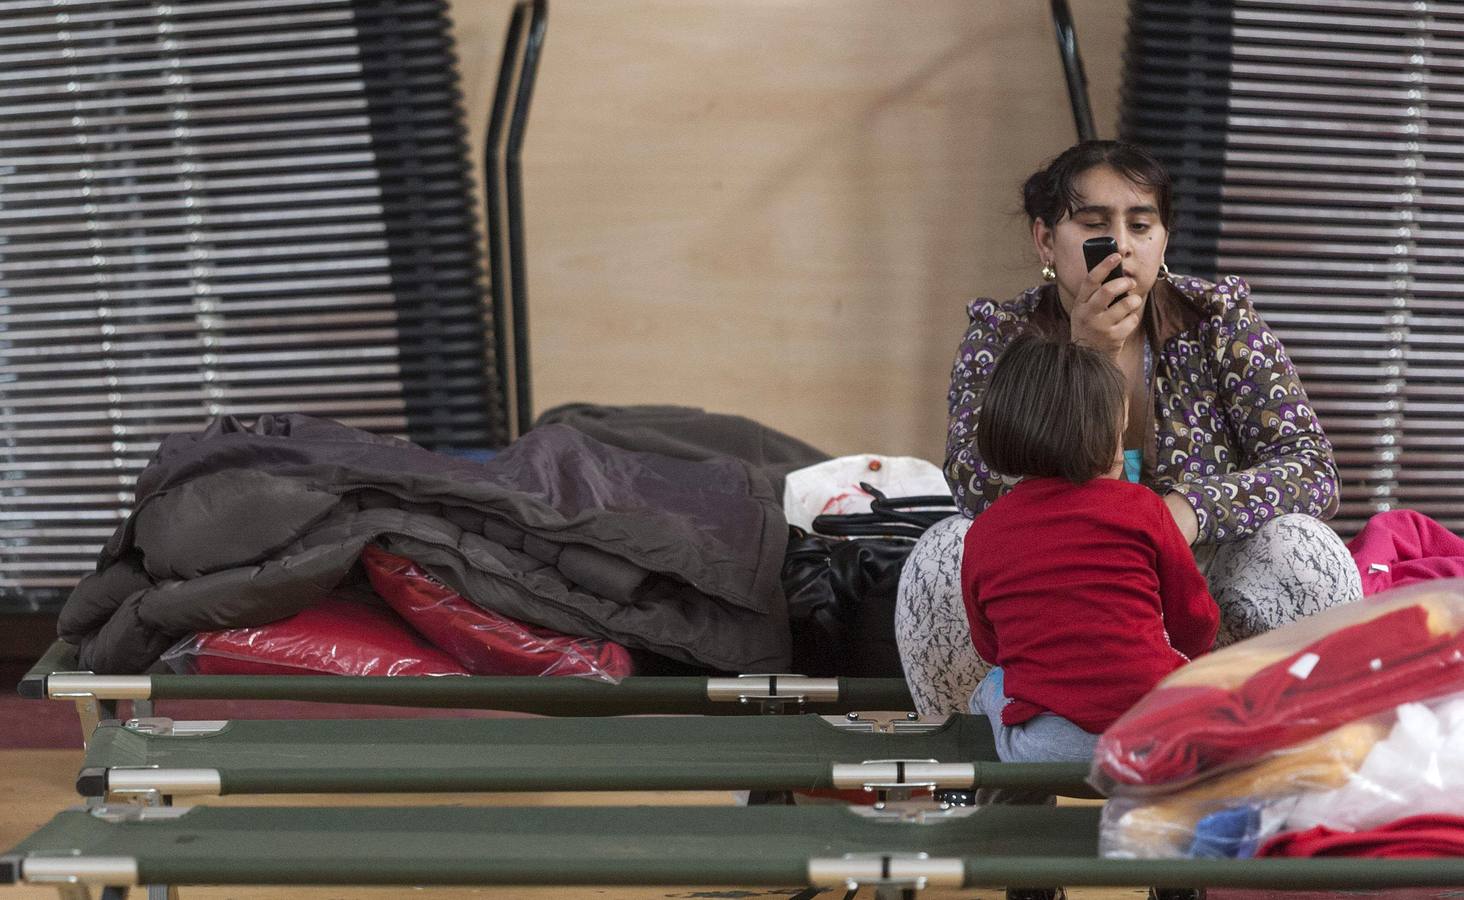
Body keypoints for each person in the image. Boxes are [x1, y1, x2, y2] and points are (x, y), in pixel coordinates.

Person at [896, 139, 1363, 716]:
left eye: (1141, 224)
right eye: (1095, 224)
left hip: (1195, 595)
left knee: (1303, 547)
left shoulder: (1217, 319)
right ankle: (981, 778)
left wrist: (1177, 514)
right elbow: (978, 483)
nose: (1121, 245)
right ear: (1046, 239)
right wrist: (1086, 357)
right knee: (943, 552)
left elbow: (1310, 469)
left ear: (1163, 238)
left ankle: (1277, 770)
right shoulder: (1004, 334)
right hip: (1052, 594)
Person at [962, 332, 1218, 765]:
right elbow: (1194, 619)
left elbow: (990, 644)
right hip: (1152, 734)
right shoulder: (1142, 508)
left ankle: (1000, 822)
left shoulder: (984, 532)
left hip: (1046, 744)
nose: (1122, 450)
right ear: (1097, 439)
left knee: (989, 688)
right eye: (1118, 437)